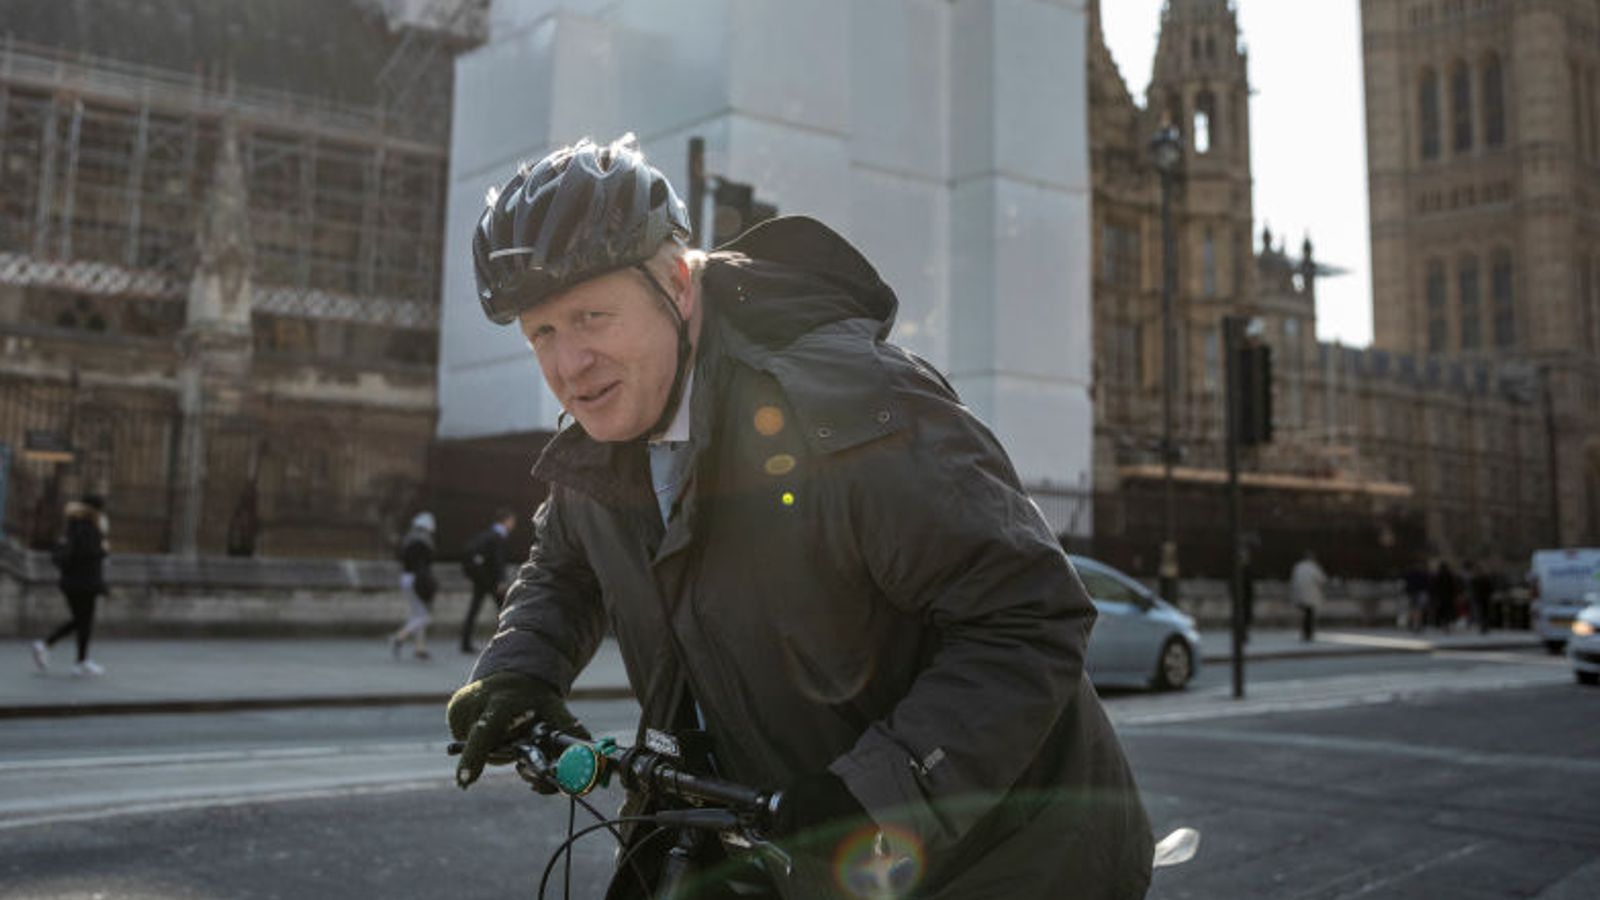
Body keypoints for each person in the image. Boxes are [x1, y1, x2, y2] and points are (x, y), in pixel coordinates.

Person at [445, 135, 1153, 898]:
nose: (568, 365)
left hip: (1000, 858)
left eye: (591, 316)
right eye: (542, 334)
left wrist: (875, 792)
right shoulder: (603, 437)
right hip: (783, 851)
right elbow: (566, 564)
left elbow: (1029, 618)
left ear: (680, 287)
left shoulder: (851, 406)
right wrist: (518, 675)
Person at [31, 495, 110, 676]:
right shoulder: (89, 529)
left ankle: (79, 660)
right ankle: (49, 646)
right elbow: (88, 555)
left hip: (72, 582)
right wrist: (103, 549)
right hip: (84, 582)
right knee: (83, 621)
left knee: (81, 621)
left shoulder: (73, 526)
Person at [459, 507, 516, 654]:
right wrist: (501, 580)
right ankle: (507, 642)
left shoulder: (487, 534)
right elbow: (498, 561)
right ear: (507, 520)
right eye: (512, 521)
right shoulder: (498, 536)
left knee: (475, 610)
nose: (513, 524)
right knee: (504, 611)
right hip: (492, 581)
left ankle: (465, 642)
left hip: (482, 579)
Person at [389, 511, 438, 661]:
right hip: (418, 580)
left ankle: (420, 647)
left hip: (406, 578)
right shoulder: (423, 542)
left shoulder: (409, 539)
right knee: (424, 616)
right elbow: (426, 564)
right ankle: (399, 636)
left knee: (416, 613)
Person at [1289, 549, 1327, 643]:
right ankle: (1308, 634)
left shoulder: (1298, 566)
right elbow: (1322, 580)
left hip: (1300, 594)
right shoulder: (1314, 567)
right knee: (1309, 615)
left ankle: (1305, 633)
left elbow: (1293, 580)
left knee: (1306, 615)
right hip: (1311, 595)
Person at [1402, 558, 1431, 633]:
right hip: (1418, 592)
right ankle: (1416, 624)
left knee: (1414, 608)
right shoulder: (1422, 573)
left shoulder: (1410, 573)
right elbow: (1427, 584)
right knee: (1418, 609)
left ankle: (1414, 623)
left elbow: (1406, 583)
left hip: (1413, 592)